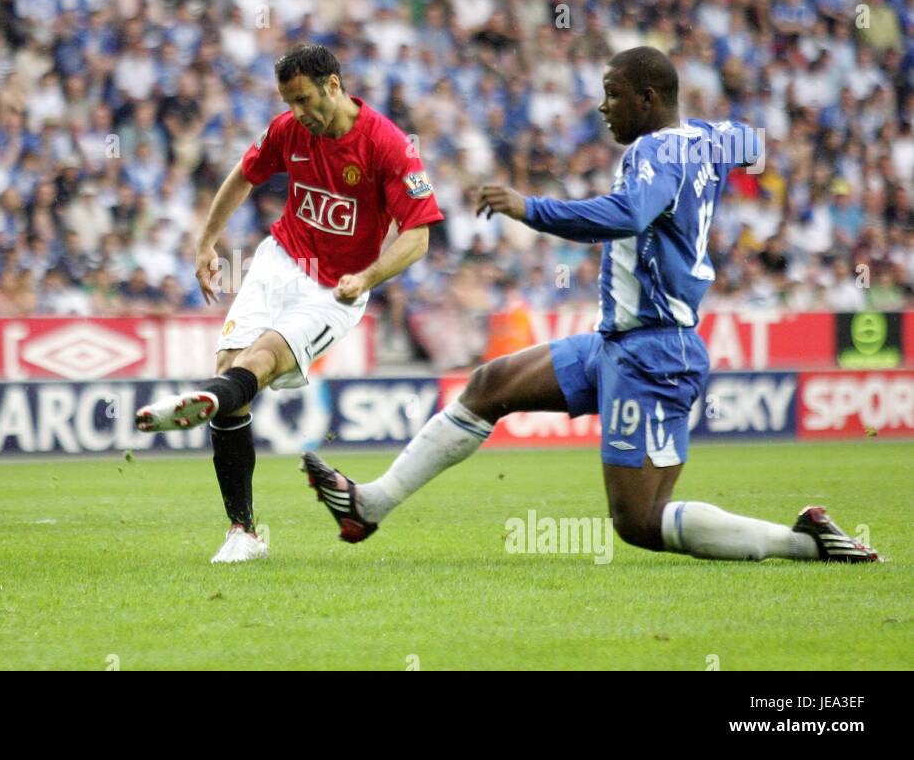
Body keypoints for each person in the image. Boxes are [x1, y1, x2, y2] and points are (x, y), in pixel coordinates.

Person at [301, 46, 880, 564]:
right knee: (489, 384)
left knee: (640, 523)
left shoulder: (653, 151)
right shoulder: (703, 137)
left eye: (613, 95)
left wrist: (532, 209)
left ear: (647, 98)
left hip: (655, 351)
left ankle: (802, 543)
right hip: (615, 342)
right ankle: (368, 505)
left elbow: (628, 215)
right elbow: (749, 142)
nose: (603, 107)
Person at [135, 43, 443, 563]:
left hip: (335, 290)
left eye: (303, 99)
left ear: (334, 86)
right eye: (289, 101)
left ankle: (203, 401)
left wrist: (366, 275)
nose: (298, 113)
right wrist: (207, 241)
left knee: (262, 358)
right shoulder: (289, 130)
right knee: (231, 370)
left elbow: (418, 237)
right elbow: (244, 174)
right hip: (280, 258)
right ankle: (244, 533)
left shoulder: (389, 146)